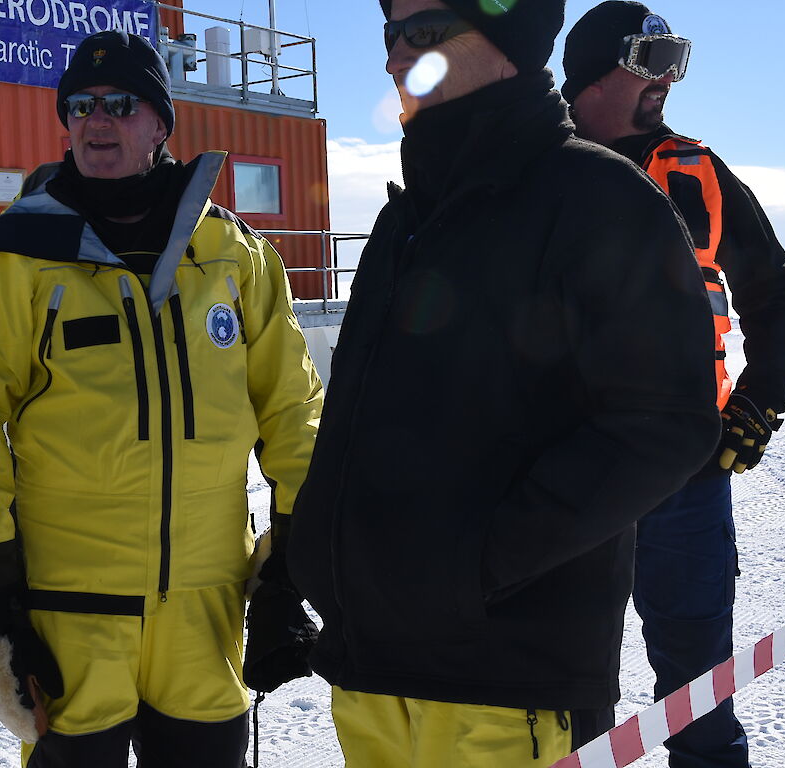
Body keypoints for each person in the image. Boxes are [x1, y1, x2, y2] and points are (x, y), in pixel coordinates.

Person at [285, 0, 723, 765]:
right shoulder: (403, 225)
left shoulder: (600, 200)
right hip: (373, 675)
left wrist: (471, 567)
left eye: (422, 34)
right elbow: (353, 418)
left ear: (510, 42)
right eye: (391, 36)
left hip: (504, 686)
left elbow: (664, 422)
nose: (395, 58)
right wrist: (301, 566)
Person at [0, 30, 324, 767]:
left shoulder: (234, 256)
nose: (95, 120)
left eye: (119, 103)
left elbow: (294, 410)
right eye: (80, 105)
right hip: (68, 617)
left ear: (160, 125)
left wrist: (292, 564)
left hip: (206, 618)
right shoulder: (15, 258)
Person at [560, 4, 785, 763]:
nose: (668, 76)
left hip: (686, 470)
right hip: (562, 471)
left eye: (677, 57)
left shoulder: (697, 168)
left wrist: (763, 398)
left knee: (698, 688)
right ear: (596, 68)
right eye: (652, 55)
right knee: (563, 685)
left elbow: (773, 288)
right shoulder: (538, 166)